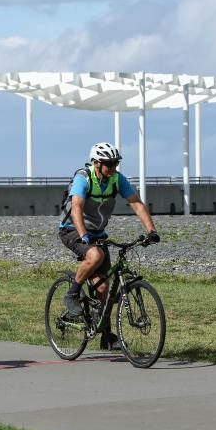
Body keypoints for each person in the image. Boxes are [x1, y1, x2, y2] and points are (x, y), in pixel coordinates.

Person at [59, 142, 159, 351]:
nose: (114, 167)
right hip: (72, 229)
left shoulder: (116, 179)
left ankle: (106, 335)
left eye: (116, 163)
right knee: (95, 256)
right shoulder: (84, 178)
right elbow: (76, 207)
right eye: (110, 164)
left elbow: (136, 203)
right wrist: (83, 235)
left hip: (97, 233)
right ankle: (72, 294)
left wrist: (152, 231)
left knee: (103, 287)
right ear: (97, 163)